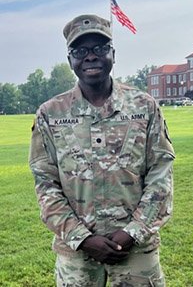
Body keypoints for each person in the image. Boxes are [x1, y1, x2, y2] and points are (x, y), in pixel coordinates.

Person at [28, 14, 175, 286]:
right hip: (76, 253)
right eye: (80, 51)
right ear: (70, 59)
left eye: (100, 48)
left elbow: (161, 176)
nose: (91, 56)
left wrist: (132, 232)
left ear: (113, 54)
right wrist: (82, 239)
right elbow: (46, 185)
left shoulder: (144, 107)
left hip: (136, 249)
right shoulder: (50, 114)